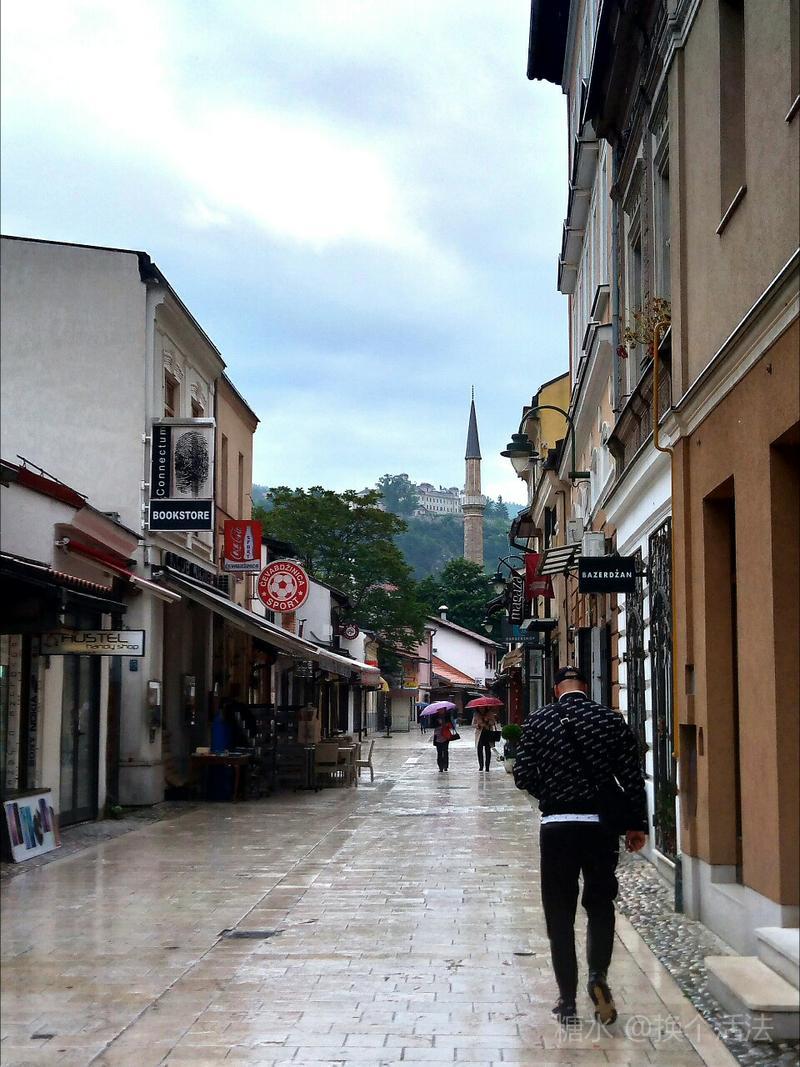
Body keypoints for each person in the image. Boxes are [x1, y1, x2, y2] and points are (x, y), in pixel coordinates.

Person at [512, 665, 648, 1027]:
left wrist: (552, 794)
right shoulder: (609, 720)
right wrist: (636, 823)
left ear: (556, 689)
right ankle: (597, 976)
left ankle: (568, 1000)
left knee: (559, 913)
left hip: (557, 826)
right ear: (586, 687)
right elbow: (631, 776)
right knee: (600, 905)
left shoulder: (539, 721)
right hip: (600, 827)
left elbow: (523, 775)